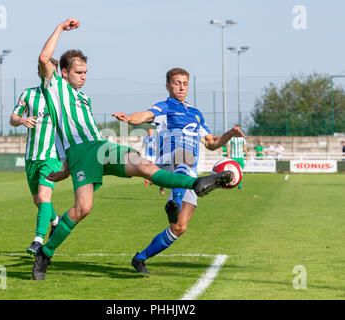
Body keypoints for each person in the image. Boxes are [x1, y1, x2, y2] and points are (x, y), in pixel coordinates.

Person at [32, 18, 236, 280]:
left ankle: (195, 184)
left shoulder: (83, 97)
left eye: (85, 72)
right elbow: (43, 57)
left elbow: (75, 131)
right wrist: (60, 28)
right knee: (83, 209)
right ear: (63, 72)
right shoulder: (54, 86)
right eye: (78, 72)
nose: (84, 76)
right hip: (81, 155)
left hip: (100, 147)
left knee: (144, 165)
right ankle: (45, 253)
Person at [113, 67, 247, 274]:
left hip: (190, 175)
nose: (181, 87)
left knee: (179, 227)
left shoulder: (196, 114)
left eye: (184, 83)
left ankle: (140, 258)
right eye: (177, 83)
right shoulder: (166, 107)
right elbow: (145, 115)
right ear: (168, 86)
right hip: (169, 162)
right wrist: (129, 119)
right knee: (184, 155)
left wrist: (230, 133)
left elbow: (211, 143)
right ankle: (174, 201)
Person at [9, 58, 65, 256]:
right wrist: (22, 120)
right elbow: (13, 118)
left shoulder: (61, 96)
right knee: (39, 202)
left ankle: (38, 240)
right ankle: (57, 222)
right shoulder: (28, 93)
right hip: (30, 157)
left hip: (51, 156)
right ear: (40, 72)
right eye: (46, 69)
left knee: (43, 197)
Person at [227, 125, 248, 189]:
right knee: (232, 171)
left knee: (241, 171)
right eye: (236, 129)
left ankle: (240, 185)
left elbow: (244, 146)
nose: (237, 130)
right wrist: (228, 155)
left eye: (238, 129)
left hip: (240, 157)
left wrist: (247, 154)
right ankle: (230, 184)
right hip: (233, 157)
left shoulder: (242, 138)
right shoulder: (231, 138)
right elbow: (228, 146)